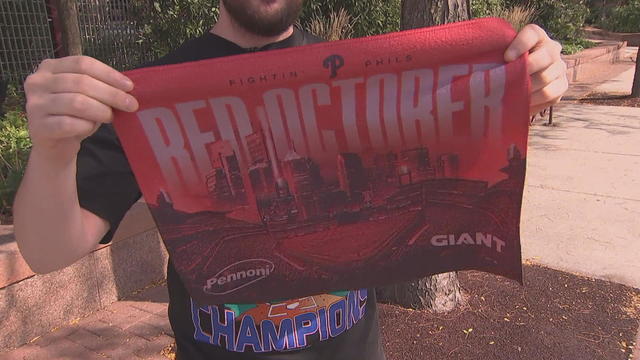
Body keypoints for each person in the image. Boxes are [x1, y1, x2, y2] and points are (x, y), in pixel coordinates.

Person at [14, 0, 568, 359]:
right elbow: (48, 251)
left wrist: (531, 77)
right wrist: (54, 152)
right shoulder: (146, 96)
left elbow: (469, 142)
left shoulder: (365, 75)